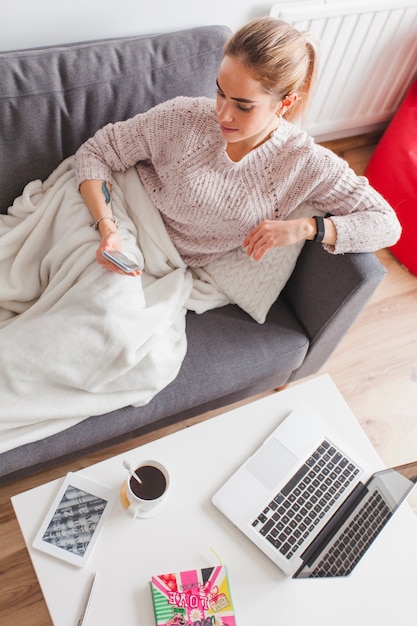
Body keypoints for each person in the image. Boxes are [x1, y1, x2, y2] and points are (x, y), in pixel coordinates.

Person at [75, 17, 401, 276]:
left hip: (161, 263)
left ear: (285, 103)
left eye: (244, 106)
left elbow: (387, 224)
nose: (223, 114)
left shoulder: (304, 163)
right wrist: (107, 228)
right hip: (112, 217)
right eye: (220, 93)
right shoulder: (182, 116)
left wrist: (307, 228)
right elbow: (96, 152)